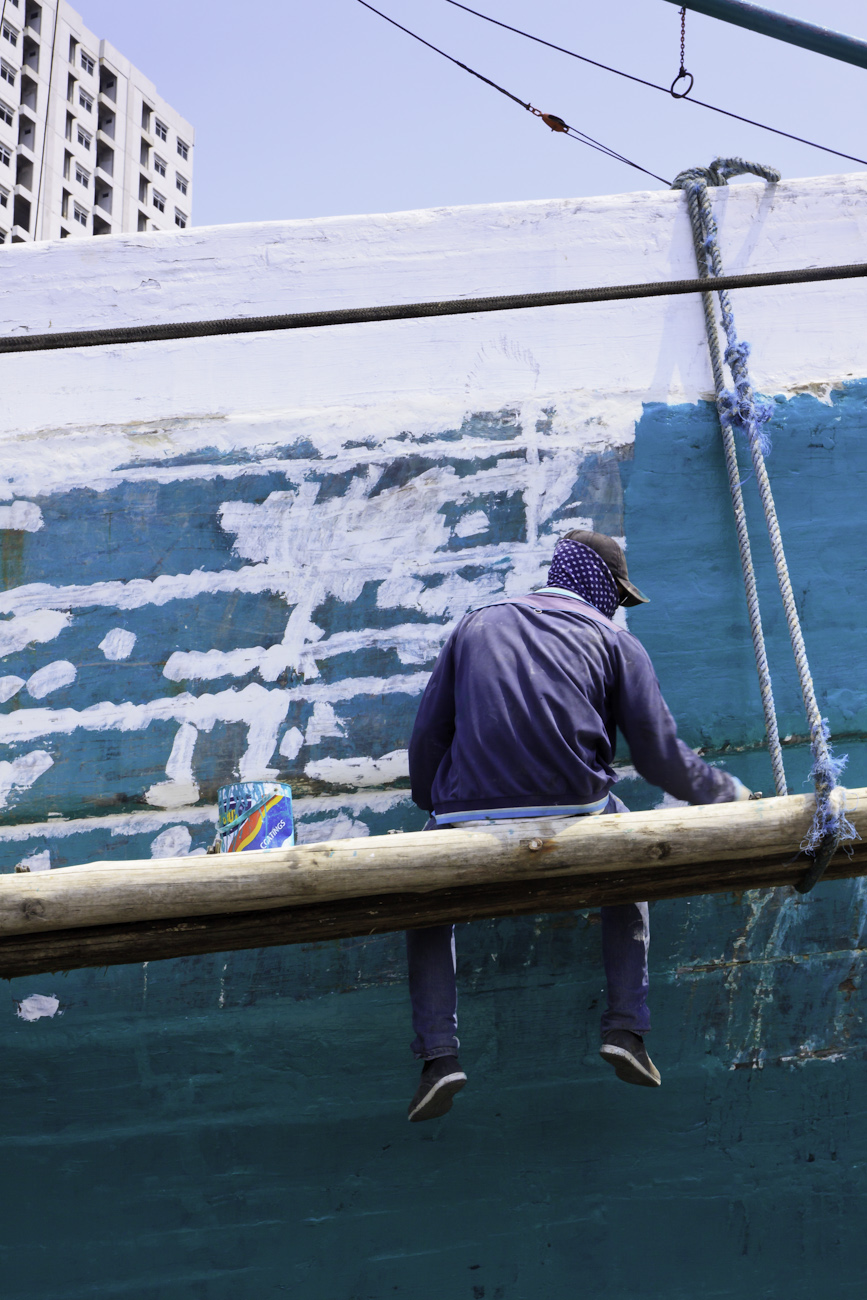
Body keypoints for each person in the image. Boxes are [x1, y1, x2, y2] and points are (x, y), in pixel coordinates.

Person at [404, 529, 750, 1122]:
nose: (617, 606)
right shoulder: (614, 641)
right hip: (576, 809)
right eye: (616, 593)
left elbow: (429, 736)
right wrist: (735, 795)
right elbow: (661, 758)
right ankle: (627, 1029)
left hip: (465, 811)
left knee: (424, 901)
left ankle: (439, 1057)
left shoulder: (475, 623)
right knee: (630, 863)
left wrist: (434, 808)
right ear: (595, 581)